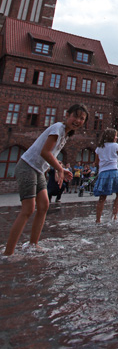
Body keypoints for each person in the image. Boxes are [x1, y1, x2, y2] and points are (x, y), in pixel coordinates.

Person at [4, 104, 89, 256]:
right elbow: (45, 152)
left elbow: (52, 155)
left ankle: (33, 244)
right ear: (66, 115)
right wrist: (60, 169)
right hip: (27, 167)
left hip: (38, 170)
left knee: (43, 205)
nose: (77, 120)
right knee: (28, 209)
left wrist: (62, 168)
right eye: (75, 116)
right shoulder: (58, 128)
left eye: (82, 118)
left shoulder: (65, 134)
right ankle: (8, 252)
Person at [93, 128, 118, 223]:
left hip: (103, 173)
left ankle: (98, 219)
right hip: (114, 171)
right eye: (116, 135)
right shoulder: (115, 146)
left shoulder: (99, 148)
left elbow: (96, 162)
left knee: (102, 197)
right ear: (112, 136)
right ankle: (114, 216)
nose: (117, 137)